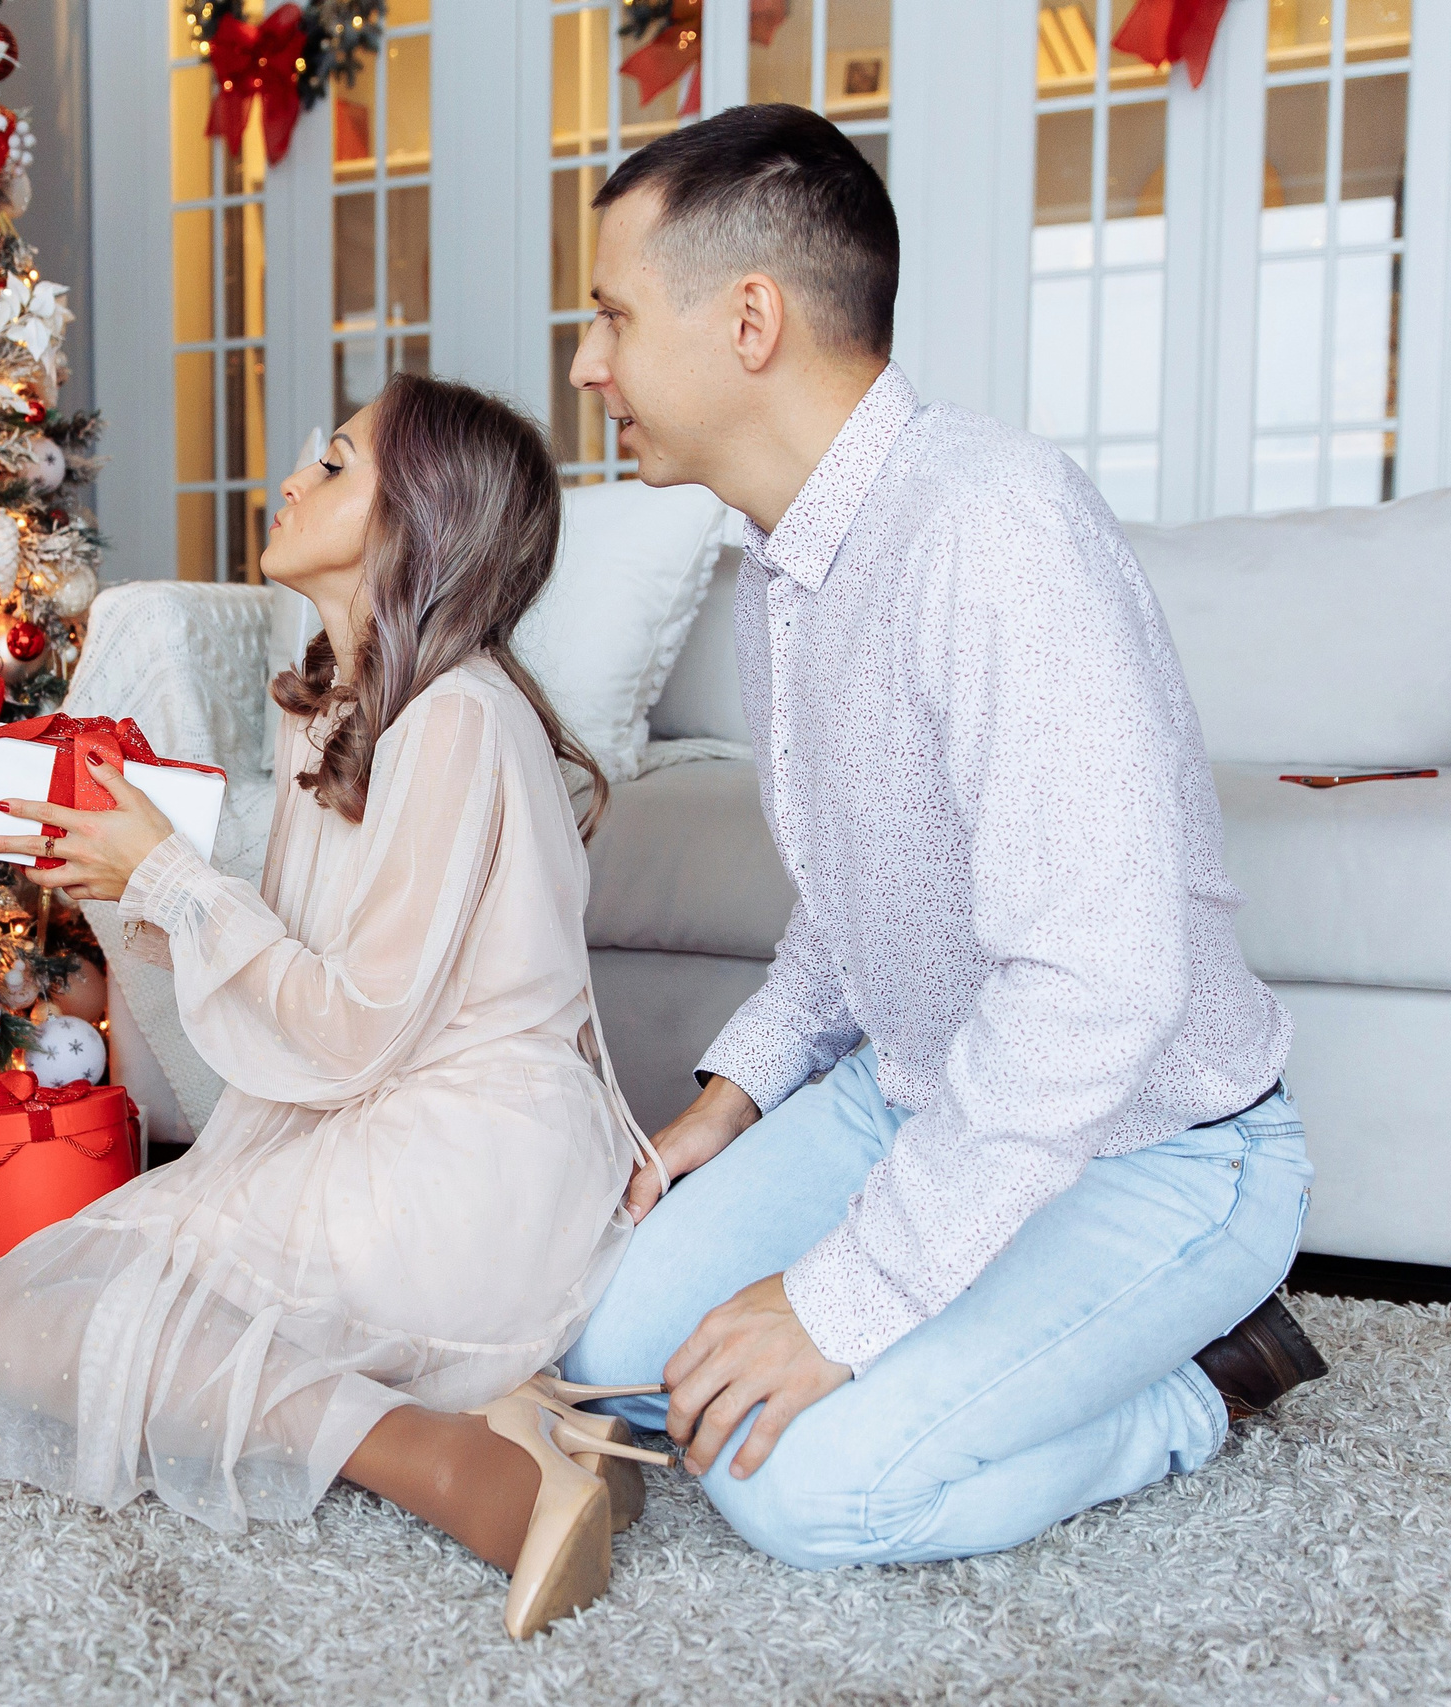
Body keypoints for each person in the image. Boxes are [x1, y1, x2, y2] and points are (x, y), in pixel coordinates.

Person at [552, 104, 1328, 1568]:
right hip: (919, 1096)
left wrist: (848, 1292)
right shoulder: (779, 569)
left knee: (812, 1487)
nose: (589, 365)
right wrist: (733, 1097)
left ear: (751, 319)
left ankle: (1197, 1383)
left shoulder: (994, 528)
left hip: (1151, 1144)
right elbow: (861, 900)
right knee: (618, 1355)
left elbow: (1099, 986)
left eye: (611, 316)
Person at [0, 372, 670, 1639]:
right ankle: (508, 1414)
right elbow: (288, 983)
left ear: (415, 519)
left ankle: (447, 1464)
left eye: (337, 464)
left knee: (44, 1319)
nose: (292, 480)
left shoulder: (459, 717)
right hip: (371, 1124)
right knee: (48, 1313)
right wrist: (127, 886)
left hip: (469, 1152)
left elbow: (352, 1025)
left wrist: (177, 880)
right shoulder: (335, 712)